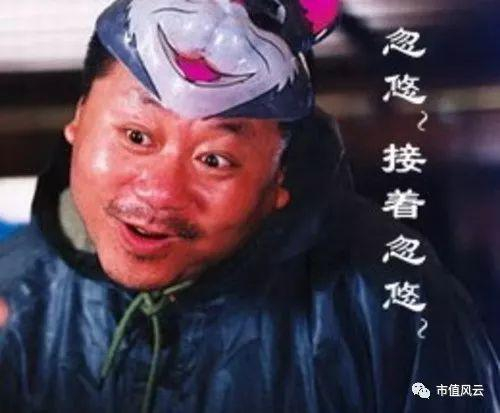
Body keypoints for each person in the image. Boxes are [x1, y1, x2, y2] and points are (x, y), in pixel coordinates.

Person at [0, 0, 498, 412]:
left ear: (279, 176)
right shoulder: (13, 294)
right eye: (136, 136)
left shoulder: (391, 306)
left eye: (214, 159)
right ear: (79, 119)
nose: (161, 193)